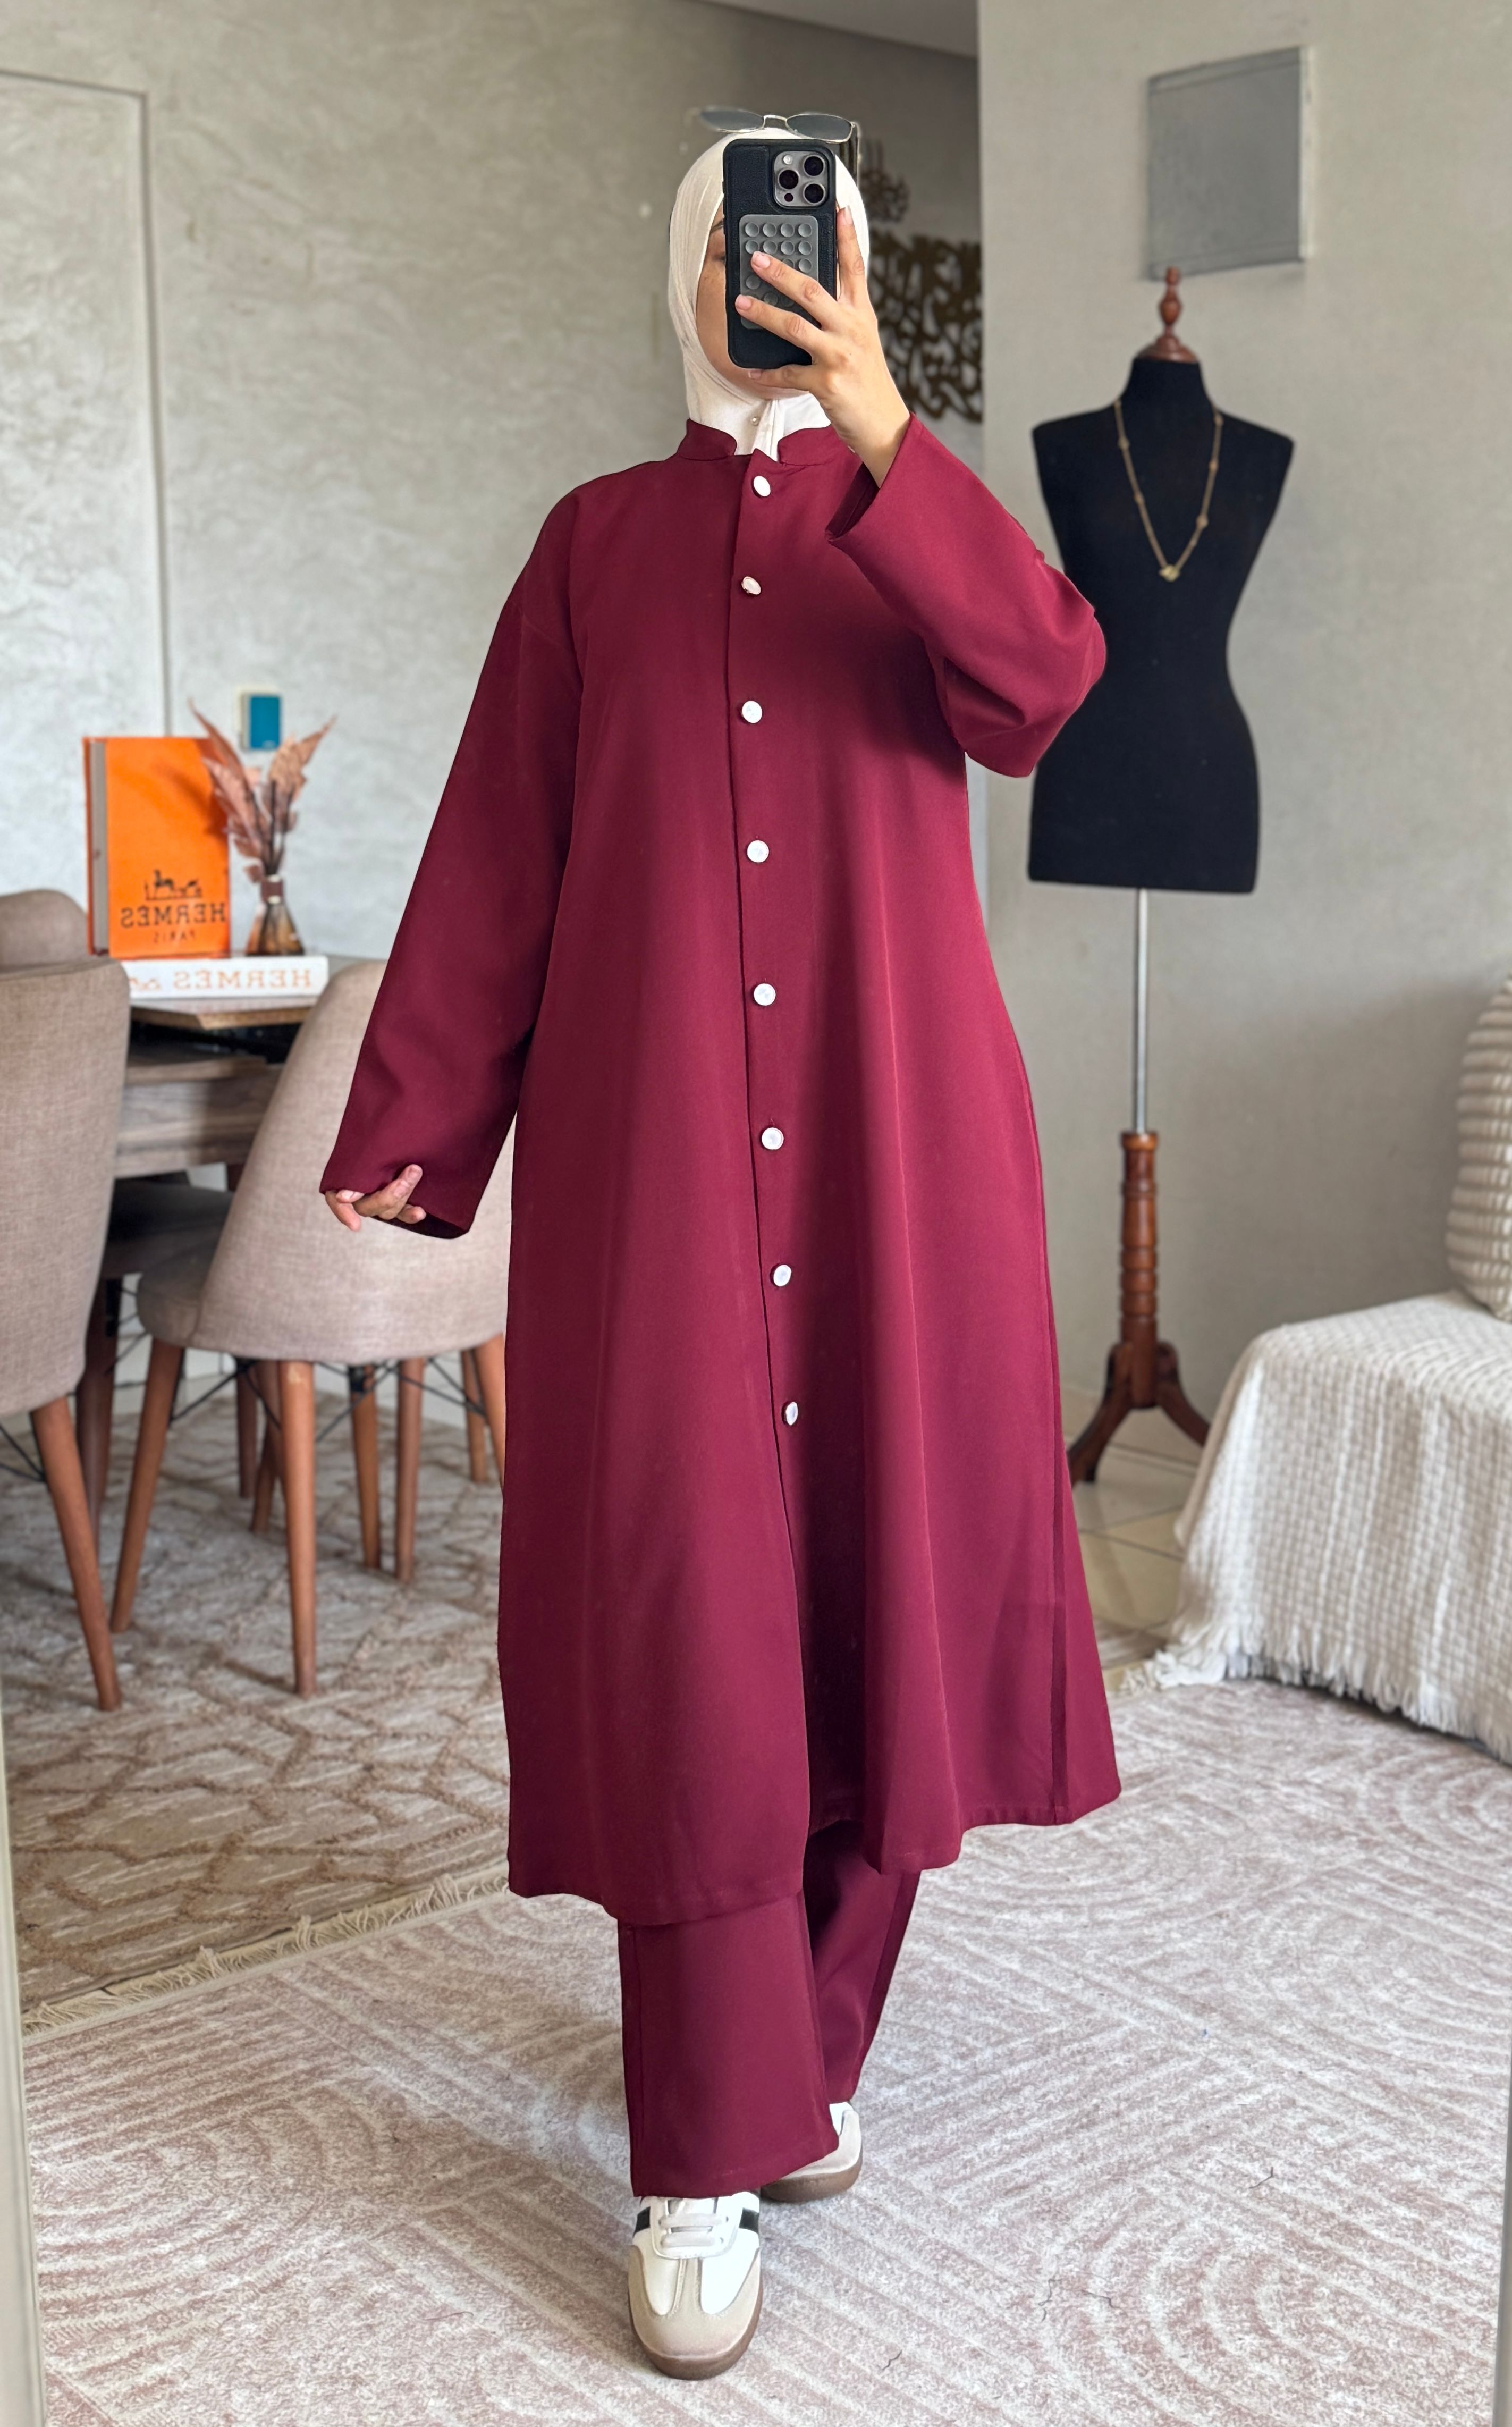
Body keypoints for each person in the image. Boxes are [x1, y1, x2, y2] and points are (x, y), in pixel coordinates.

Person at [321, 132, 1119, 2380]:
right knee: (683, 1626)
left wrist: (884, 424)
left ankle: (800, 2059)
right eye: (746, 246)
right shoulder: (595, 547)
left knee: (892, 1594)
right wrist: (417, 1113)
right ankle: (700, 2144)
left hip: (896, 1154)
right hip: (656, 1168)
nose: (773, 279)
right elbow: (502, 848)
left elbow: (1048, 684)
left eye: (814, 249)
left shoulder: (916, 528)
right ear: (688, 271)